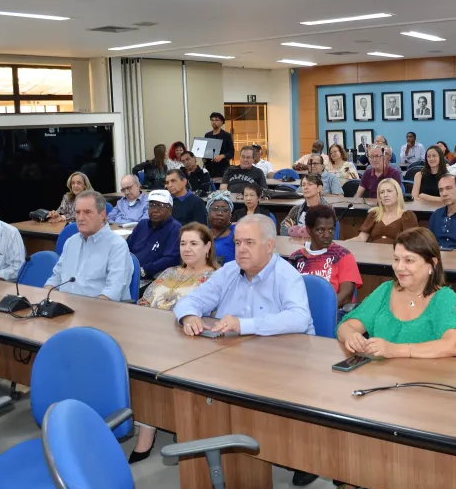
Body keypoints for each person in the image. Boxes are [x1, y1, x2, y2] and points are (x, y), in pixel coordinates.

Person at [332, 227, 456, 489]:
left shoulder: (443, 298)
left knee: (413, 427)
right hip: (383, 386)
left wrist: (396, 349)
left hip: (425, 392)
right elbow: (347, 323)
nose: (399, 268)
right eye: (396, 259)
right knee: (351, 409)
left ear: (432, 264)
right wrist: (351, 336)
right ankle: (359, 472)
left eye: (409, 260)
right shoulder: (385, 290)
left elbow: (452, 344)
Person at [131, 222, 219, 463]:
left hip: (188, 342)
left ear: (207, 247)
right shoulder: (169, 272)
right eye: (182, 244)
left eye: (193, 244)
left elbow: (209, 315)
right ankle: (148, 423)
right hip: (153, 335)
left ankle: (156, 426)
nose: (187, 249)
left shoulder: (214, 277)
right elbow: (145, 301)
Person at [175, 214, 315, 336]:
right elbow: (191, 300)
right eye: (237, 242)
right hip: (229, 352)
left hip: (276, 354)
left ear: (269, 246)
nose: (241, 249)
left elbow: (299, 318)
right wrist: (189, 316)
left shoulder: (287, 275)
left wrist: (242, 325)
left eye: (249, 242)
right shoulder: (228, 271)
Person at [46, 191, 133, 300]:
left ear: (102, 215)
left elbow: (113, 292)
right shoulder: (71, 242)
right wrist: (45, 299)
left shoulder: (117, 246)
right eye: (78, 212)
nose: (81, 218)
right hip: (65, 308)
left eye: (87, 212)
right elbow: (56, 278)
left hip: (99, 311)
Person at [288, 205, 362, 308]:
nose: (327, 235)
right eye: (321, 230)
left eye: (331, 230)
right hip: (301, 313)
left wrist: (321, 310)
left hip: (332, 313)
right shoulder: (295, 258)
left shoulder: (343, 256)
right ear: (309, 230)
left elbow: (345, 297)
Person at [126, 190, 181, 280]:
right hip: (129, 271)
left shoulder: (175, 229)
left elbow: (170, 259)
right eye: (152, 205)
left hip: (152, 277)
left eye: (161, 206)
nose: (155, 210)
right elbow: (126, 247)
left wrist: (144, 270)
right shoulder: (142, 224)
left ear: (170, 210)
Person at [350, 178, 417, 244]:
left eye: (389, 191)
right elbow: (361, 238)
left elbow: (411, 243)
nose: (385, 195)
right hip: (374, 253)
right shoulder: (374, 214)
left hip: (396, 253)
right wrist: (343, 244)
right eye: (382, 192)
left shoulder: (407, 216)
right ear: (380, 197)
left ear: (397, 194)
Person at [205, 191, 235, 264]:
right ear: (208, 212)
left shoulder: (237, 232)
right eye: (215, 209)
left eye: (225, 210)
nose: (219, 213)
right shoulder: (202, 232)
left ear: (230, 214)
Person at [203, 112, 235, 178]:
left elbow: (231, 152)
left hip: (222, 168)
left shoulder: (227, 136)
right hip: (209, 167)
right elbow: (205, 150)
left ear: (222, 122)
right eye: (212, 120)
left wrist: (222, 156)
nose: (214, 122)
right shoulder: (207, 135)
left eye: (217, 120)